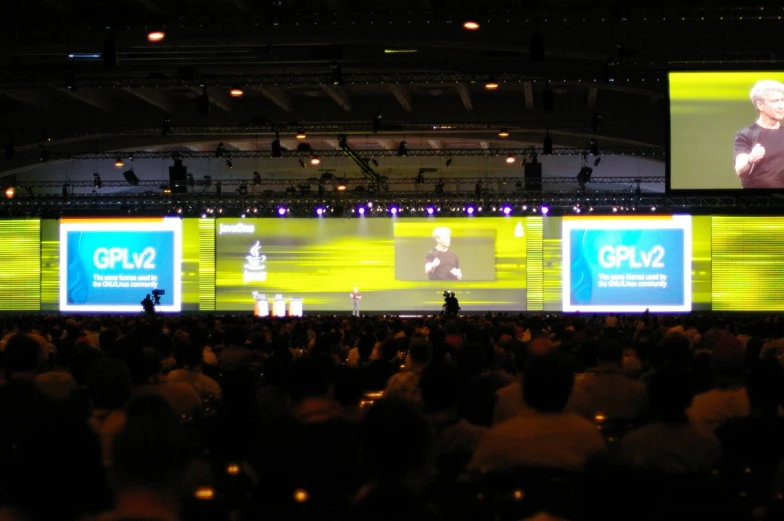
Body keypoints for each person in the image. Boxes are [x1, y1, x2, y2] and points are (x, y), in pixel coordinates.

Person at [734, 79, 784, 188]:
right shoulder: (745, 135)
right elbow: (740, 170)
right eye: (775, 101)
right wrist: (751, 158)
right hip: (756, 200)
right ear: (760, 105)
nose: (781, 106)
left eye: (782, 100)